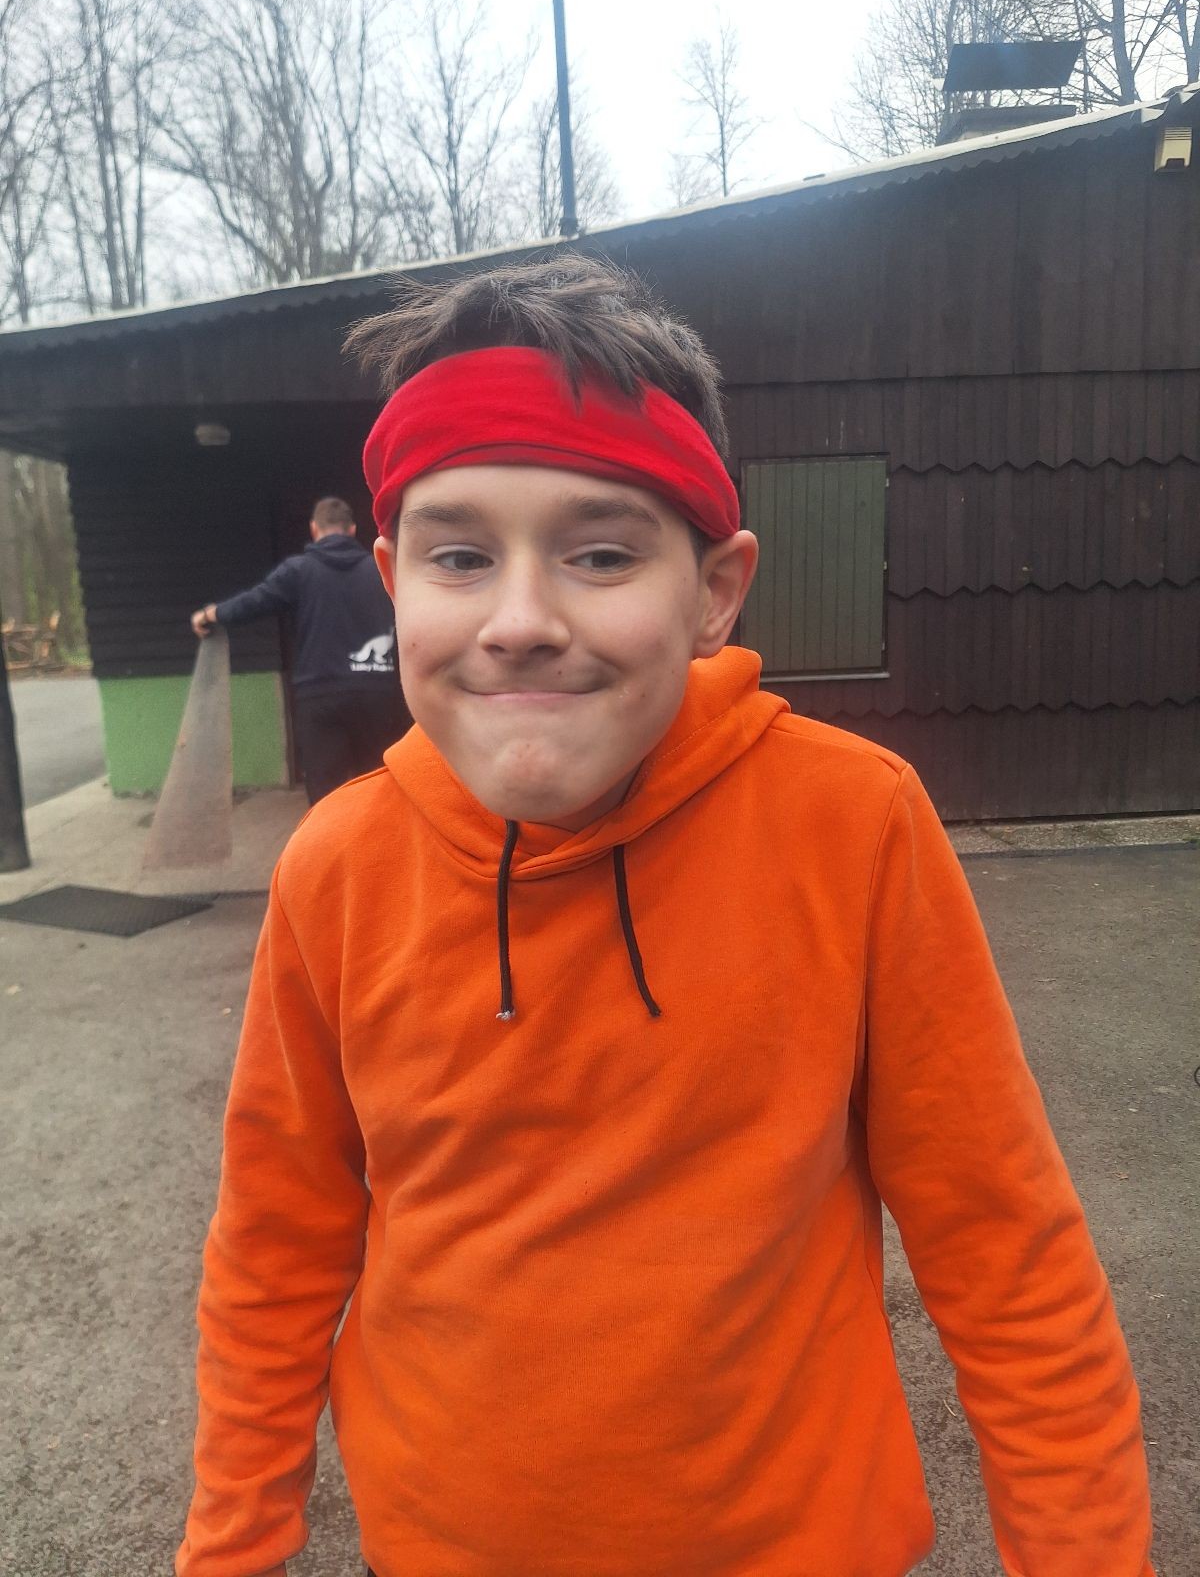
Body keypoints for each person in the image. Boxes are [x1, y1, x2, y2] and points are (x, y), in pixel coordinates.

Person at [177, 256, 1155, 1577]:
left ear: (715, 590)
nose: (522, 620)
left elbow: (1006, 1252)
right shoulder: (336, 869)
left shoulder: (853, 825)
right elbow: (274, 1253)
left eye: (601, 554)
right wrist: (230, 1546)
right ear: (394, 579)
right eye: (461, 555)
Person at [191, 495, 409, 804]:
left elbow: (255, 601)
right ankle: (383, 836)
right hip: (378, 693)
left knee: (326, 793)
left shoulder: (299, 570)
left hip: (319, 694)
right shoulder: (381, 569)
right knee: (381, 785)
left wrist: (213, 614)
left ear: (314, 529)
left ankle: (330, 837)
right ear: (352, 530)